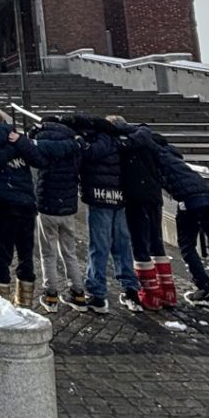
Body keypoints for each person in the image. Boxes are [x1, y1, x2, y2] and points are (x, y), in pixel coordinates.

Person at [148, 131, 209, 304]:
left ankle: (204, 288)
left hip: (188, 201)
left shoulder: (155, 156)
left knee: (187, 245)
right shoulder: (173, 155)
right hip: (205, 195)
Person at [68, 114, 142, 314]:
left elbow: (87, 157)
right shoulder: (123, 142)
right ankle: (131, 290)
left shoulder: (93, 142)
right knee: (122, 246)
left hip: (99, 198)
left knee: (98, 246)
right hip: (119, 198)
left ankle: (98, 294)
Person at [0, 110, 41, 305]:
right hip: (28, 204)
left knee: (2, 253)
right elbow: (39, 160)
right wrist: (19, 144)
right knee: (26, 253)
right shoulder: (19, 142)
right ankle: (25, 301)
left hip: (6, 204)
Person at [111, 117, 175, 308]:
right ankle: (168, 292)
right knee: (157, 243)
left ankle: (150, 294)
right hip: (154, 195)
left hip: (135, 197)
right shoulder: (148, 139)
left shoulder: (123, 143)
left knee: (140, 244)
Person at [32, 114, 86, 309]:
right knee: (69, 252)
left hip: (47, 204)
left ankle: (51, 295)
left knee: (48, 253)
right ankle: (78, 293)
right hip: (68, 206)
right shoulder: (74, 144)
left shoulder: (42, 144)